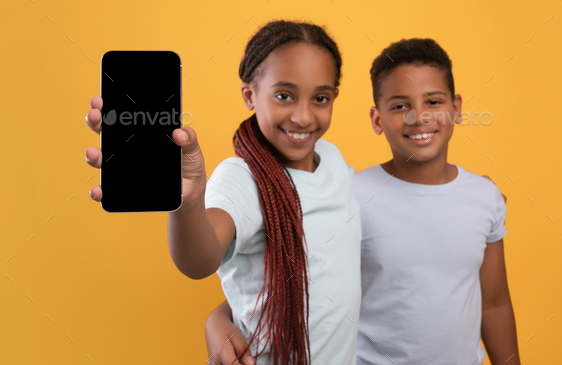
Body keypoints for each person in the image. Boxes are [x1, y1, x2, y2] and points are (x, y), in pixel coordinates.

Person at [205, 38, 520, 365]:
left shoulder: (484, 198)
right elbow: (296, 277)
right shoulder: (350, 193)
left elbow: (495, 304)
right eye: (399, 106)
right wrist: (218, 318)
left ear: (456, 108)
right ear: (377, 119)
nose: (417, 116)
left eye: (433, 102)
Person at [84, 20, 362, 365]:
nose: (304, 116)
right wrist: (187, 202)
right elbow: (200, 260)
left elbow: (318, 275)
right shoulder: (241, 179)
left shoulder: (334, 160)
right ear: (250, 95)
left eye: (320, 98)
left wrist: (220, 315)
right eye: (284, 95)